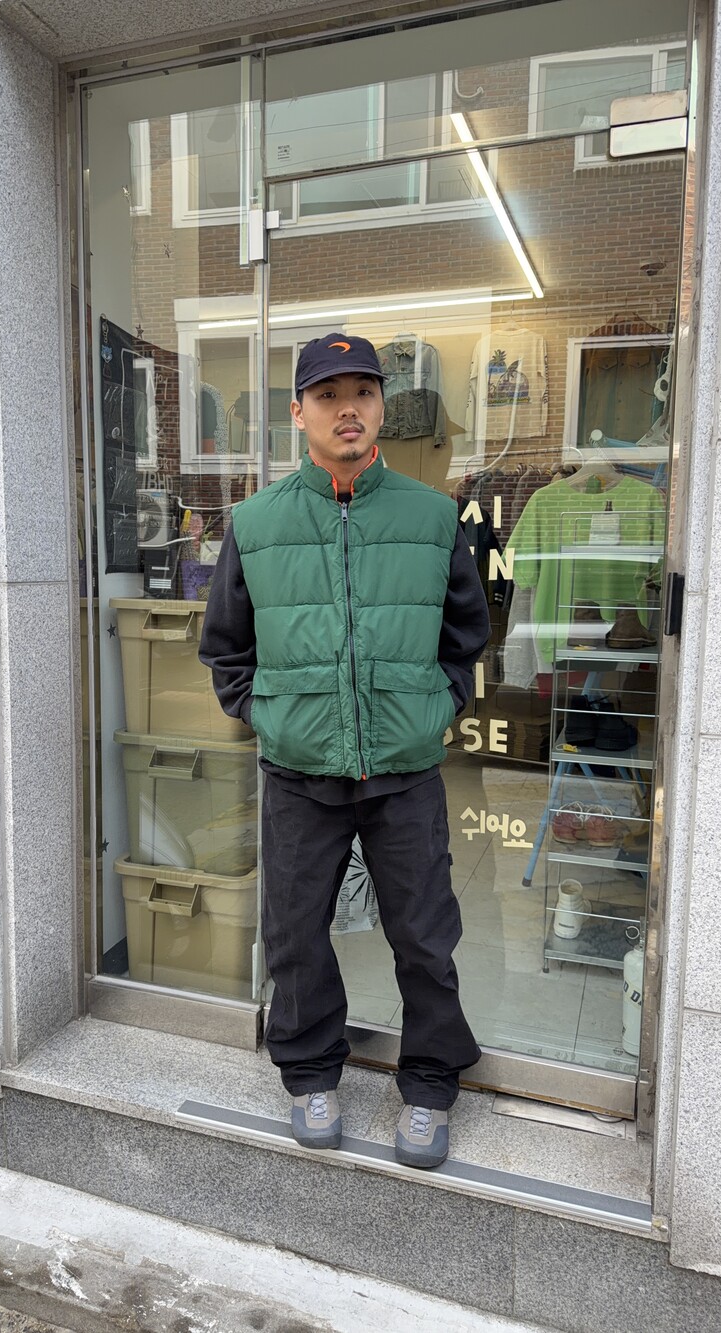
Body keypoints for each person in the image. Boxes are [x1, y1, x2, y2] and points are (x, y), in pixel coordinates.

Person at [199, 333, 490, 1169]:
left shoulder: (432, 517)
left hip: (404, 771)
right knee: (295, 934)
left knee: (424, 935)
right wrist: (273, 717)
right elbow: (226, 647)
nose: (348, 408)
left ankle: (429, 1083)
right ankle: (310, 1072)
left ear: (382, 407)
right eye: (327, 395)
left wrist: (433, 709)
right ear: (298, 412)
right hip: (300, 771)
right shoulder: (257, 523)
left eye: (362, 391)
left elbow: (466, 636)